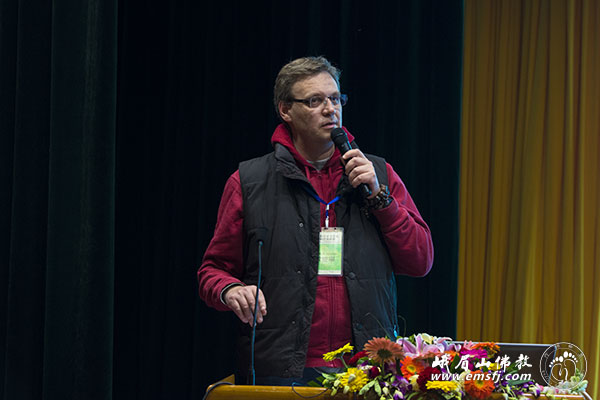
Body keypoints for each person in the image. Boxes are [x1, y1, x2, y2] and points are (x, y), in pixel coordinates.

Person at [197, 56, 433, 385]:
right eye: (314, 101)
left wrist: (380, 198)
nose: (330, 109)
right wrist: (231, 289)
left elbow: (421, 260)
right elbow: (212, 271)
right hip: (281, 369)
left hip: (366, 368)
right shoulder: (250, 181)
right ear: (285, 110)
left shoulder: (378, 174)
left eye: (335, 98)